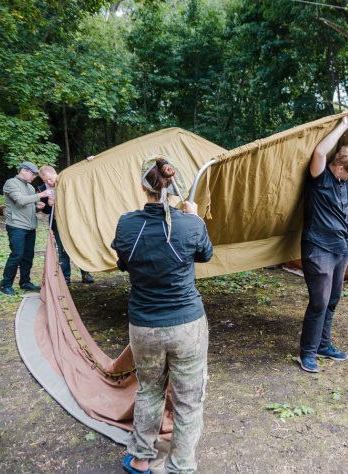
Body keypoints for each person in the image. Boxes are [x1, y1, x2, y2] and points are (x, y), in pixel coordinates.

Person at [112, 156, 213, 474]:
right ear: (173, 186)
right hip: (187, 326)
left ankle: (141, 458)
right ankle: (181, 466)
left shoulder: (126, 223)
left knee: (150, 390)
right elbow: (205, 255)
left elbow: (124, 263)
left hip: (144, 327)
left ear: (145, 186)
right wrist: (196, 219)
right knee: (188, 398)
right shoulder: (191, 223)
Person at [298, 111, 348, 373]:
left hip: (341, 249)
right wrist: (343, 125)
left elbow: (345, 211)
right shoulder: (321, 176)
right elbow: (319, 152)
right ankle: (307, 353)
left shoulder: (344, 185)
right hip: (318, 247)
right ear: (339, 167)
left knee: (333, 299)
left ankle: (324, 345)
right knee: (319, 301)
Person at [0, 162, 52, 295]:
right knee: (17, 255)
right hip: (16, 226)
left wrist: (37, 207)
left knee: (28, 256)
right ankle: (5, 285)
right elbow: (21, 200)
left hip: (30, 226)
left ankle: (25, 282)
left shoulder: (30, 187)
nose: (34, 176)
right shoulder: (11, 183)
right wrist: (41, 195)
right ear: (23, 171)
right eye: (32, 173)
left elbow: (29, 206)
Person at [38, 165, 94, 284]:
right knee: (62, 250)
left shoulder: (67, 179)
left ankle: (86, 274)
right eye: (45, 180)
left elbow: (85, 175)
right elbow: (46, 210)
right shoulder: (43, 189)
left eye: (50, 179)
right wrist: (48, 204)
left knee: (81, 246)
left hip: (75, 221)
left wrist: (90, 160)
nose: (49, 182)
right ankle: (65, 277)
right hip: (58, 223)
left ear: (55, 173)